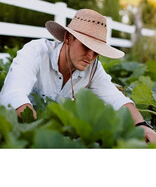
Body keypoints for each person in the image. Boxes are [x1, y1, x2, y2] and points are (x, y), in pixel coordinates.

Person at [0, 9, 156, 143]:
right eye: (86, 46)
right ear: (68, 37)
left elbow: (117, 99)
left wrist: (141, 125)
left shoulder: (93, 68)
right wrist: (44, 134)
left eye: (96, 51)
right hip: (22, 132)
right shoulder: (36, 52)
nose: (90, 55)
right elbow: (13, 95)